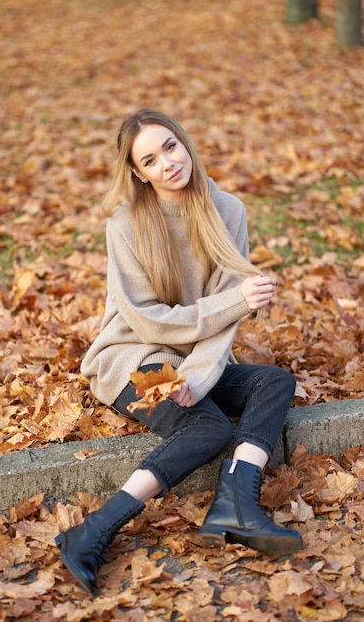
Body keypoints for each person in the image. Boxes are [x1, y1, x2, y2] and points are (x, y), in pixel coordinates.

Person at [55, 109, 303, 594]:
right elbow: (148, 319)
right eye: (150, 159)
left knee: (273, 381)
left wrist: (198, 374)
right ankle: (95, 529)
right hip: (132, 356)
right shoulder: (125, 224)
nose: (167, 163)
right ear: (137, 172)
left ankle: (236, 503)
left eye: (170, 146)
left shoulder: (226, 210)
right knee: (207, 426)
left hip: (193, 356)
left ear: (184, 143)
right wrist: (235, 301)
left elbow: (224, 318)